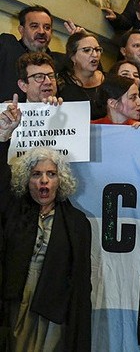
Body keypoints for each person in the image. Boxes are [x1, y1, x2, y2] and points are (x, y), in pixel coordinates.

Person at [0, 146, 91, 351]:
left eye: (51, 174)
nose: (44, 180)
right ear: (26, 180)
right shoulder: (14, 213)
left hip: (54, 305)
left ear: (60, 180)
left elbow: (81, 281)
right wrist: (3, 137)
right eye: (36, 174)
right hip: (19, 299)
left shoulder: (76, 223)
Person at [58, 31, 105, 120]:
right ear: (73, 56)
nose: (95, 55)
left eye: (98, 50)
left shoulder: (109, 82)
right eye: (87, 50)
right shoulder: (61, 84)